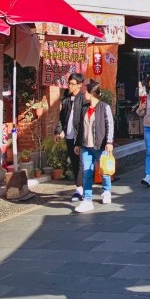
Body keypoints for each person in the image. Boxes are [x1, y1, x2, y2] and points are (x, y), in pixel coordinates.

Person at [74, 78, 115, 212]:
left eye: (86, 92)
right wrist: (78, 143)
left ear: (92, 93)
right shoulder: (84, 108)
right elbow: (80, 127)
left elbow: (110, 125)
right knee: (87, 172)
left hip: (100, 145)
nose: (84, 94)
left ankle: (106, 191)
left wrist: (109, 142)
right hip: (86, 146)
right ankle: (87, 199)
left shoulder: (104, 107)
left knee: (104, 170)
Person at [58, 72, 86, 203]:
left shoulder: (84, 100)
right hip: (69, 136)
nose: (70, 86)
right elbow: (61, 118)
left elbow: (83, 121)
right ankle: (79, 187)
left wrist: (80, 139)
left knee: (81, 163)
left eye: (73, 84)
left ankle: (81, 189)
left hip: (80, 137)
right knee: (75, 163)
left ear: (80, 85)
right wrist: (59, 132)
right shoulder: (66, 100)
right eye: (69, 83)